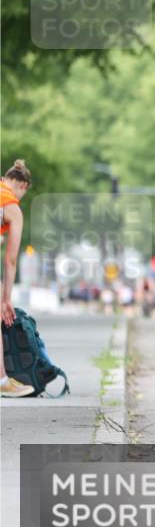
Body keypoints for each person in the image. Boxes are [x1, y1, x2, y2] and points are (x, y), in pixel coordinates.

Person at [1, 160, 35, 397]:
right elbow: (10, 260)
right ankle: (2, 379)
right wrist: (6, 299)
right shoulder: (11, 206)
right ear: (22, 186)